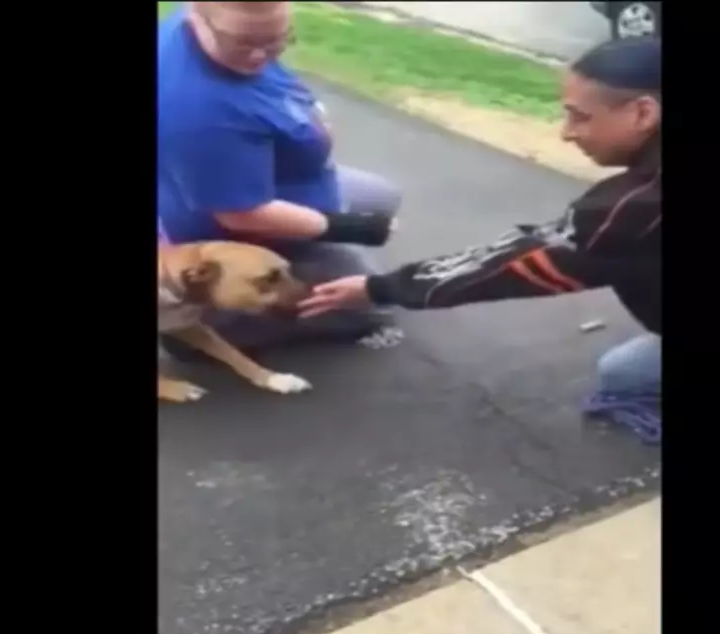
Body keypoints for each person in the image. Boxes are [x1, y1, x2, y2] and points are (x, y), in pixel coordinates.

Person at [299, 37, 662, 397]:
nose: (567, 133)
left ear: (643, 113)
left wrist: (377, 288)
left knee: (622, 378)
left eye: (580, 117)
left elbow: (515, 265)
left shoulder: (633, 208)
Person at [157, 1, 402, 355]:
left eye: (276, 40)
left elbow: (266, 64)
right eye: (242, 43)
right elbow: (241, 214)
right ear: (196, 16)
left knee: (383, 195)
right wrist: (351, 227)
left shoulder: (217, 23)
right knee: (372, 303)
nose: (260, 55)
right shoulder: (197, 111)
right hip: (232, 229)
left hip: (279, 182)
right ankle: (195, 328)